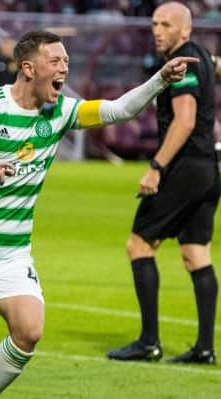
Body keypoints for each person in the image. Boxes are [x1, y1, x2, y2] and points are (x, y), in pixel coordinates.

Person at [0, 30, 196, 399]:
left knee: (29, 331)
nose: (64, 67)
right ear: (29, 68)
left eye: (66, 61)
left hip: (12, 254)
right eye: (56, 61)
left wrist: (160, 80)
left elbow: (119, 109)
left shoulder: (61, 111)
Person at [107, 1, 219, 365]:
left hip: (184, 168)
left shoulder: (182, 62)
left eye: (167, 24)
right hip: (208, 167)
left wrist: (156, 167)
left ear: (185, 29)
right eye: (155, 23)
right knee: (195, 252)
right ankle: (204, 348)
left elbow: (184, 120)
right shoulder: (202, 55)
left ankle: (148, 342)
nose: (158, 30)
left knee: (139, 245)